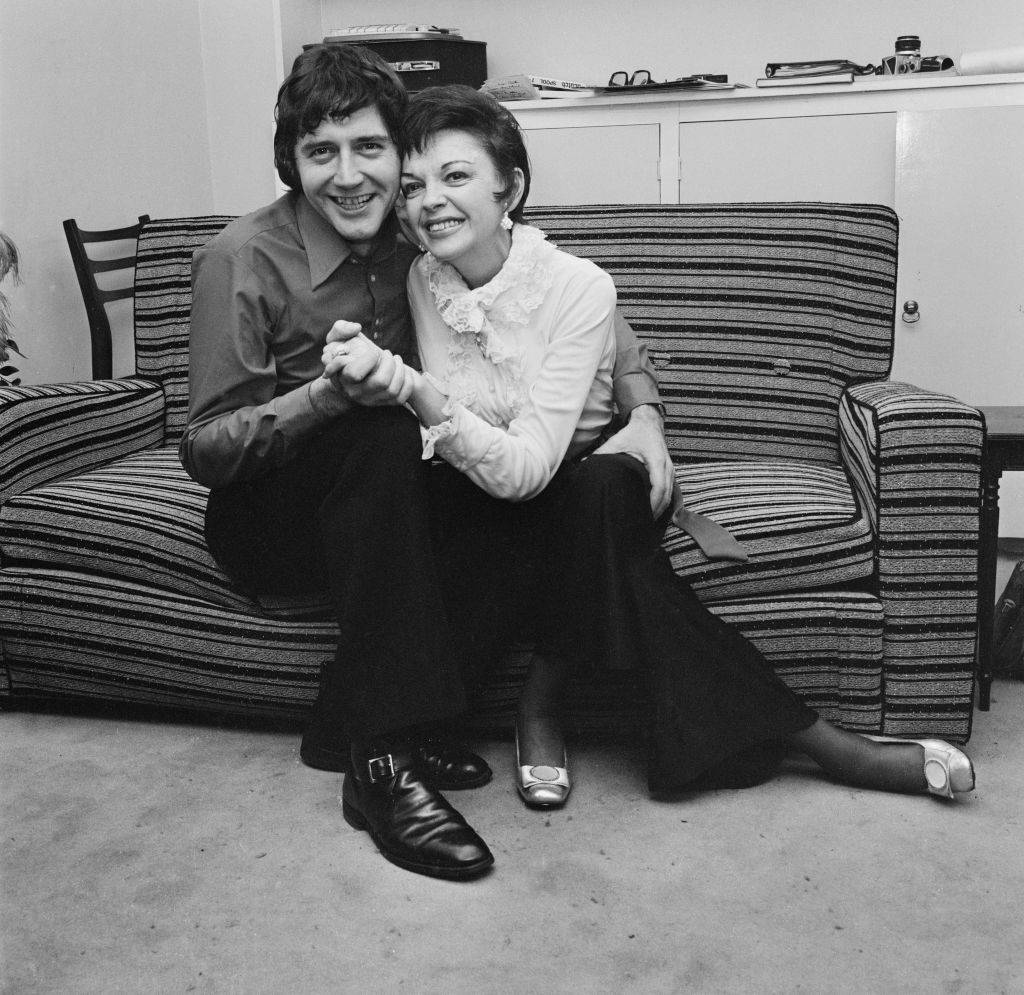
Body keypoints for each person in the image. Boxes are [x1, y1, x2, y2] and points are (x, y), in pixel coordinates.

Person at [323, 84, 976, 813]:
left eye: (456, 176)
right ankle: (823, 742)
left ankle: (544, 699)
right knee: (620, 559)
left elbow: (535, 456)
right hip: (489, 498)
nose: (429, 201)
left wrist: (641, 418)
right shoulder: (422, 278)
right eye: (413, 186)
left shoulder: (576, 285)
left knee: (601, 489)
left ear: (511, 188)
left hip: (574, 484)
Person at [179, 45, 674, 881]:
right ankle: (381, 759)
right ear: (291, 162)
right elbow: (206, 448)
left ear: (398, 158)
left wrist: (646, 413)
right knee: (382, 428)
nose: (349, 177)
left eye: (370, 149)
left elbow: (582, 304)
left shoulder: (416, 230)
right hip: (268, 518)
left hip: (380, 507)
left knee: (515, 490)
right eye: (321, 152)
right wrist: (327, 397)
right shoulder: (242, 258)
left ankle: (342, 719)